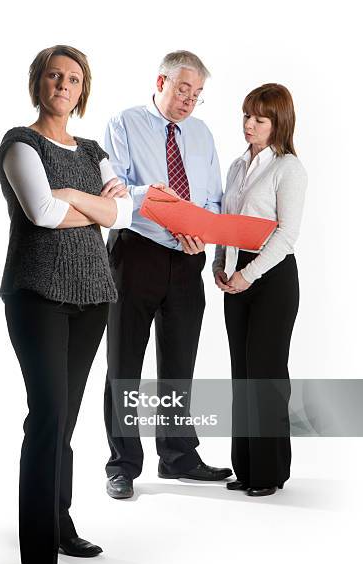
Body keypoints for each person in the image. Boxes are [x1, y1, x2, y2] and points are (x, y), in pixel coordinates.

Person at [0, 45, 132, 564]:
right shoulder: (19, 144)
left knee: (66, 419)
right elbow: (41, 213)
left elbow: (120, 212)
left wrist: (74, 194)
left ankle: (60, 522)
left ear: (82, 90)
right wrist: (90, 207)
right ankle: (37, 552)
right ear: (39, 83)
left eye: (73, 78)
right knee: (48, 416)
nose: (63, 84)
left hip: (93, 295)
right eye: (53, 75)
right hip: (38, 295)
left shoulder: (93, 149)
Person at [103, 50, 232, 500]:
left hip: (186, 260)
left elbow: (213, 199)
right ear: (161, 82)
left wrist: (203, 231)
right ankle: (122, 464)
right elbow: (114, 188)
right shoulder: (124, 123)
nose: (189, 101)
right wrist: (152, 197)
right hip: (136, 253)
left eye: (197, 94)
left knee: (179, 365)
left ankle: (178, 455)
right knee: (125, 366)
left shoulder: (200, 134)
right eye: (183, 89)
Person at [213, 83, 308, 497]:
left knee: (266, 374)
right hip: (237, 278)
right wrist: (219, 264)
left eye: (260, 119)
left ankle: (270, 473)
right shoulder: (237, 166)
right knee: (242, 374)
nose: (249, 125)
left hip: (271, 280)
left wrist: (248, 274)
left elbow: (287, 234)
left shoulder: (289, 168)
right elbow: (224, 223)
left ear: (278, 123)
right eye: (246, 116)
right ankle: (247, 468)